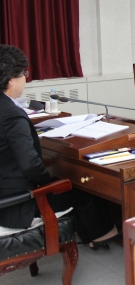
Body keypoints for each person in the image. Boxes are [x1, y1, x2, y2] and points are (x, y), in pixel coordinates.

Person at [0, 45, 119, 248]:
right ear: (11, 80)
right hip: (17, 205)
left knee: (67, 183)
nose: (25, 79)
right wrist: (47, 183)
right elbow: (30, 165)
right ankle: (103, 235)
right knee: (81, 189)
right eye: (24, 75)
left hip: (6, 193)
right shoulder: (12, 115)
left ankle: (93, 236)